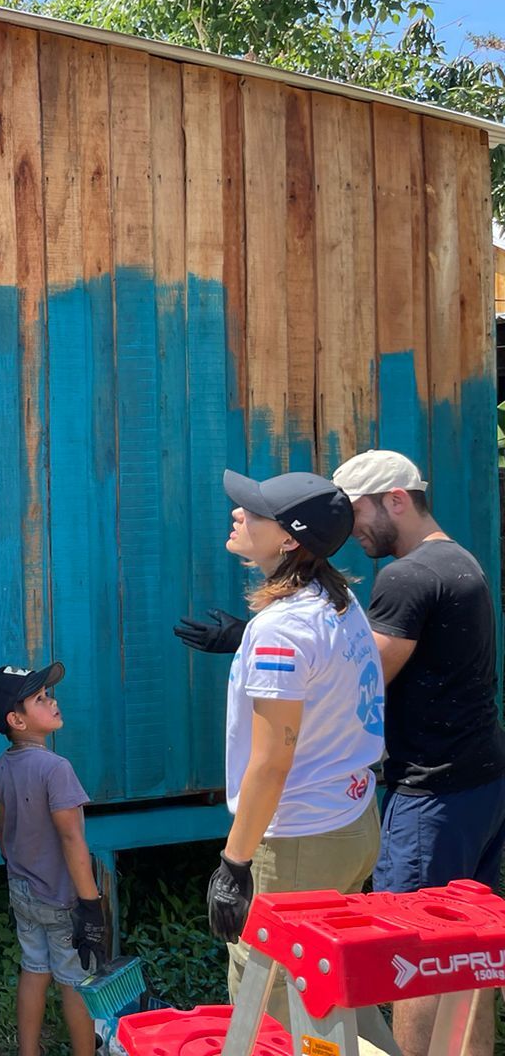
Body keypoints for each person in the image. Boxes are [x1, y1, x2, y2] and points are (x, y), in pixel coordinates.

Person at [178, 471, 385, 1021]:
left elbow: (271, 763)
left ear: (290, 539)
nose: (237, 513)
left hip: (298, 837)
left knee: (268, 1009)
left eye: (253, 511)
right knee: (333, 998)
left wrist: (234, 864)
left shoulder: (281, 629)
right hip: (351, 819)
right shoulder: (339, 600)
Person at [333, 450, 505, 1056]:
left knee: (414, 955)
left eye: (356, 513)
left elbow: (362, 680)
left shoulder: (406, 576)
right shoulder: (461, 560)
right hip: (481, 782)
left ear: (396, 500)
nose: (350, 531)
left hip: (432, 793)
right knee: (469, 952)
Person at [0, 663, 108, 1056]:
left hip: (23, 891)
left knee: (34, 970)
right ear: (17, 720)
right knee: (77, 981)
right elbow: (72, 839)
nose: (52, 701)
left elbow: (4, 835)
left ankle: (28, 1051)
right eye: (39, 698)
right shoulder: (57, 769)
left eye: (47, 694)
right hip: (62, 898)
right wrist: (90, 905)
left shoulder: (2, 766)